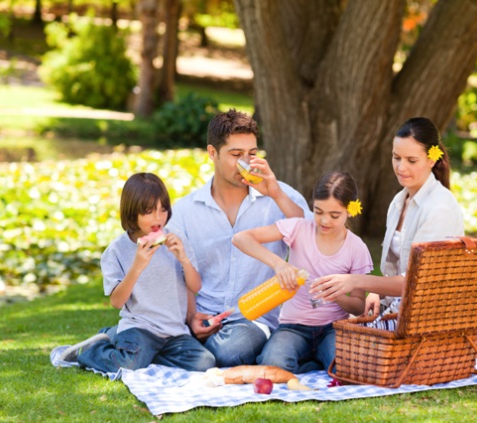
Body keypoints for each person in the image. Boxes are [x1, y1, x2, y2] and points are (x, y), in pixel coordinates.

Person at [166, 109, 311, 367]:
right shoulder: (186, 211)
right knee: (161, 331)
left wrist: (276, 194)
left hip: (254, 318)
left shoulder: (280, 195)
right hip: (205, 313)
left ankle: (197, 353)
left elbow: (313, 237)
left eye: (252, 154)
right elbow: (176, 272)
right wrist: (190, 317)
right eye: (236, 155)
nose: (246, 163)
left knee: (230, 352)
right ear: (212, 153)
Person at [61, 173, 216, 373]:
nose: (158, 218)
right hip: (140, 328)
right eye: (149, 211)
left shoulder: (177, 239)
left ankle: (133, 348)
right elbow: (117, 302)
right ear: (132, 212)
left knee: (205, 363)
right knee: (127, 365)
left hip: (174, 332)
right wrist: (137, 266)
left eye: (163, 209)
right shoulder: (116, 250)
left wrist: (183, 258)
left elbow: (195, 286)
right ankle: (92, 349)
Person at [311, 117, 464, 319]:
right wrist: (376, 292)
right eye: (396, 157)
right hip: (397, 309)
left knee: (336, 333)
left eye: (411, 160)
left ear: (431, 159)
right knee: (324, 323)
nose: (401, 167)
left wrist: (355, 281)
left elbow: (415, 281)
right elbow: (396, 273)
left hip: (425, 319)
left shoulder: (440, 208)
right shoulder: (398, 202)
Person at [231, 171, 373, 373]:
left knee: (349, 368)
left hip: (333, 328)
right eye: (318, 211)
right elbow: (240, 238)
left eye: (334, 215)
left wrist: (338, 295)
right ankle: (313, 362)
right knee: (273, 364)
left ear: (350, 211)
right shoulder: (299, 228)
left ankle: (311, 362)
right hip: (293, 327)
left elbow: (359, 308)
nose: (324, 221)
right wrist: (279, 264)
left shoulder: (356, 248)